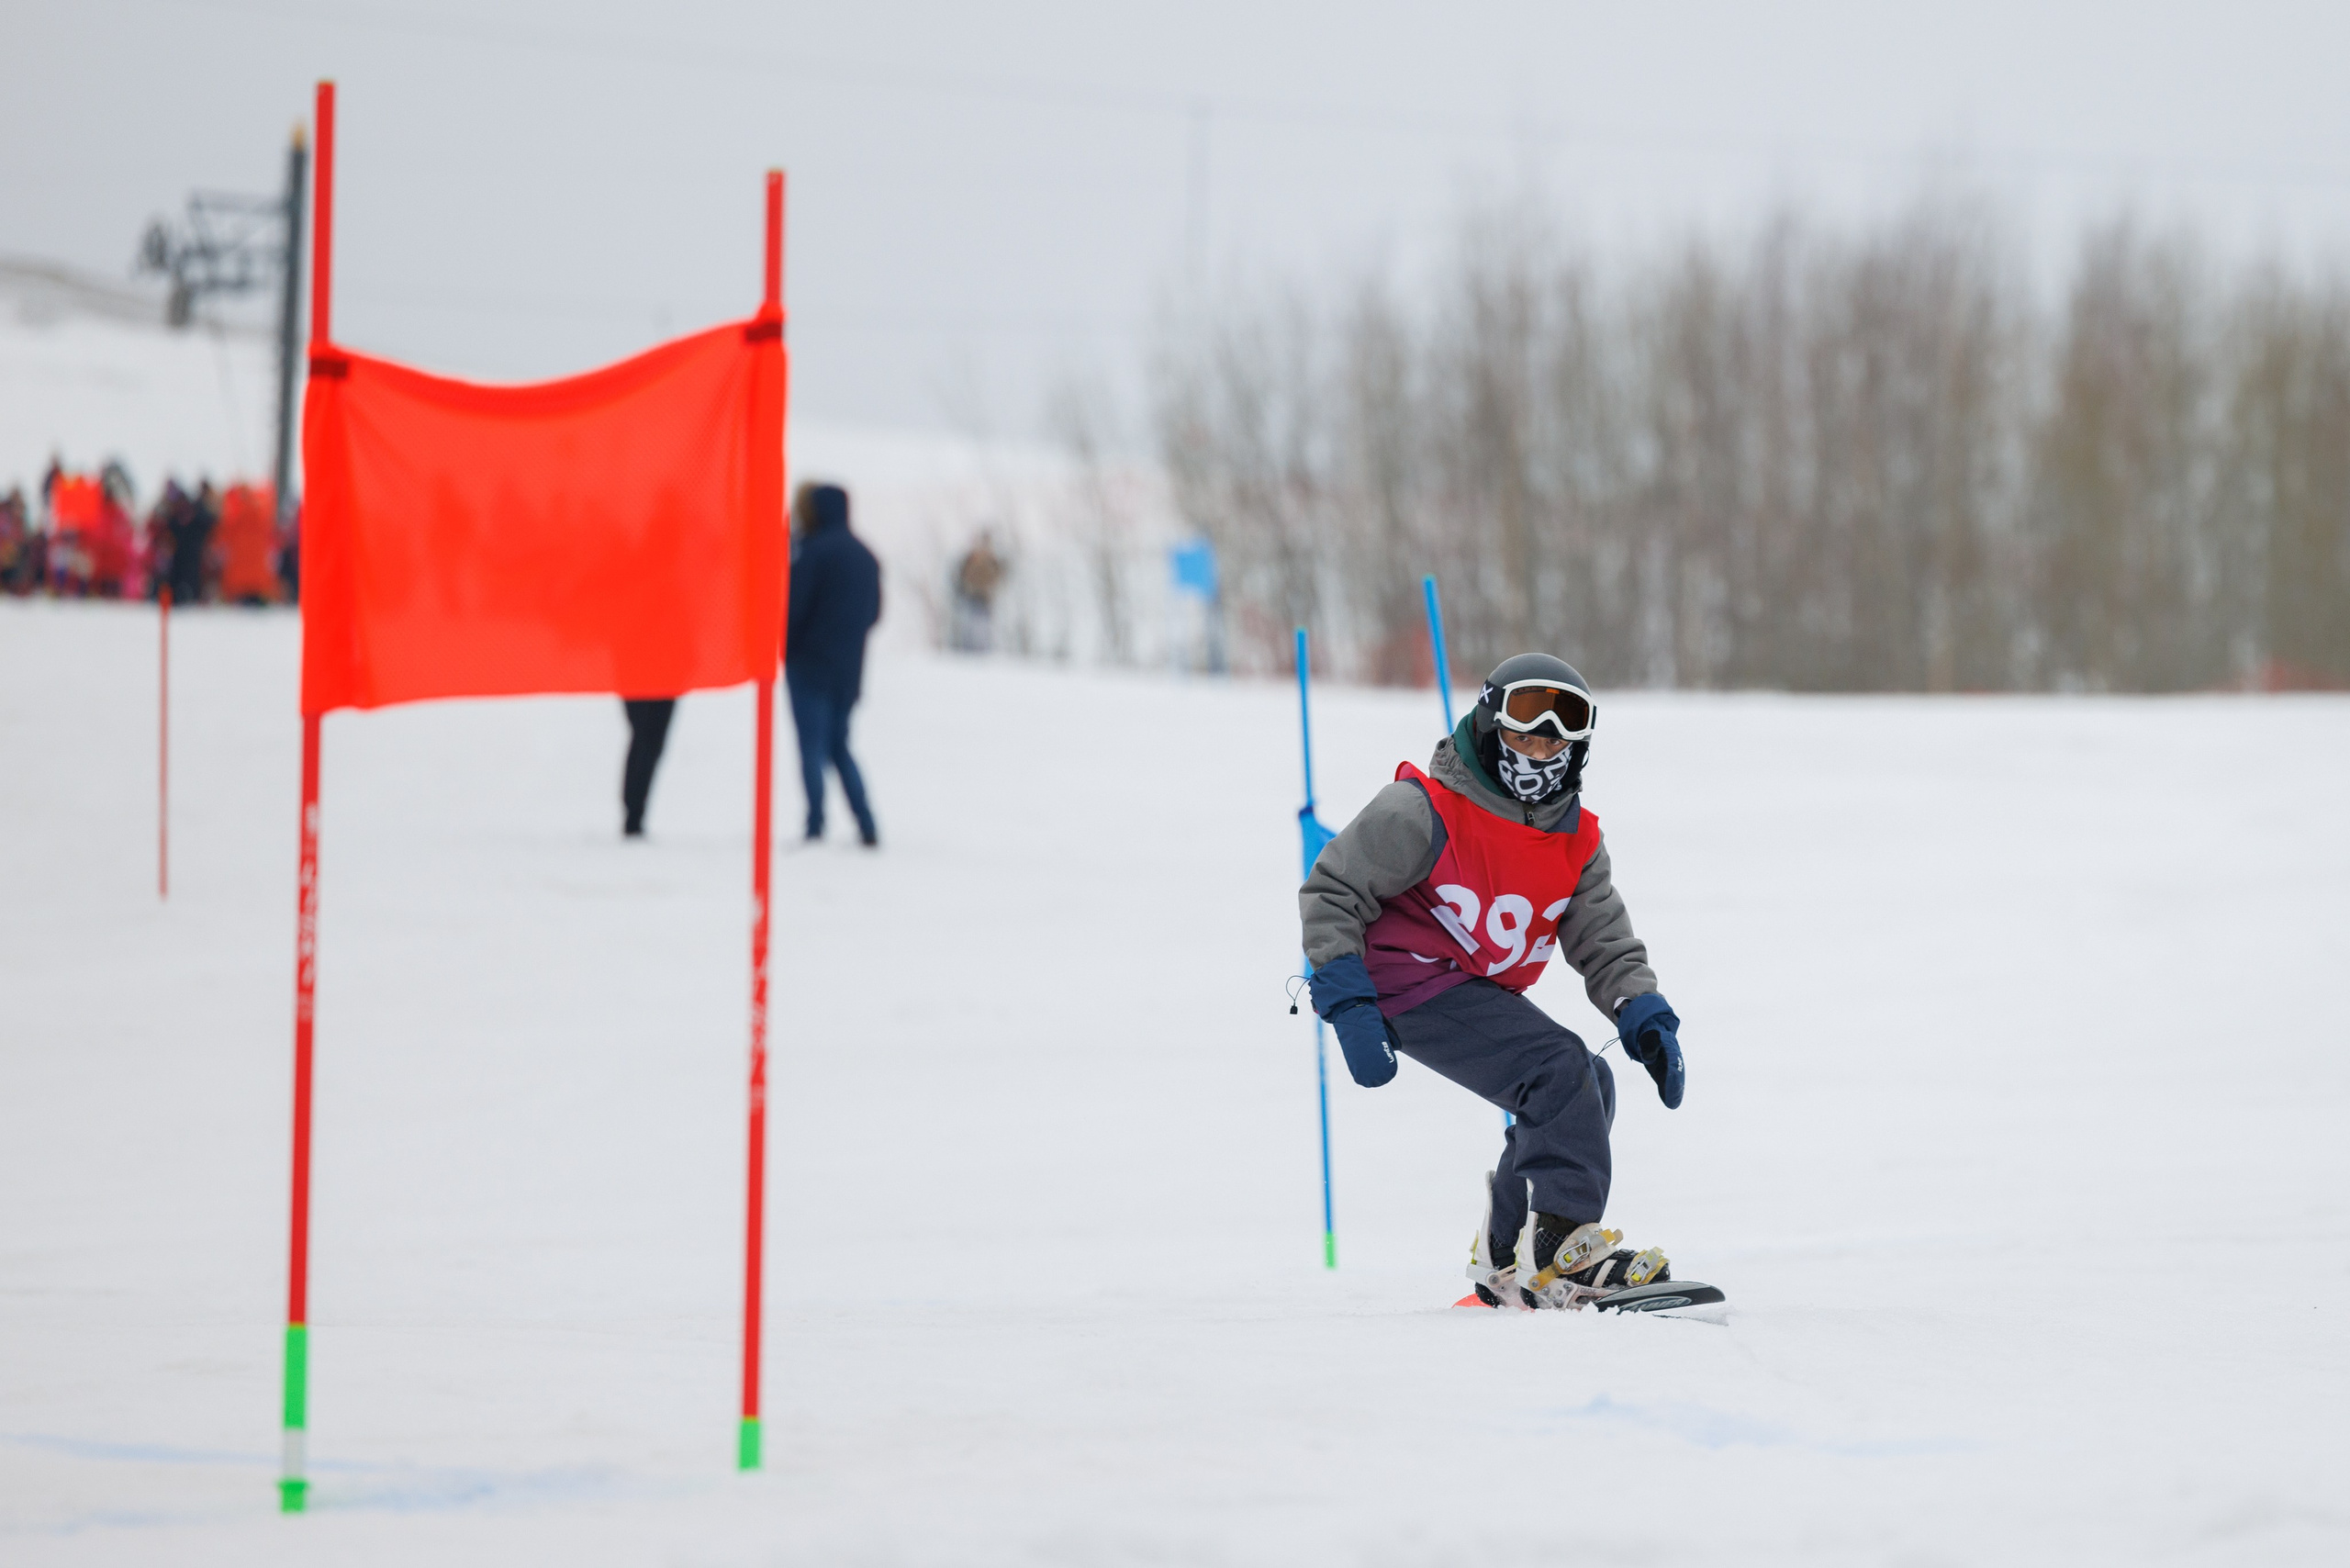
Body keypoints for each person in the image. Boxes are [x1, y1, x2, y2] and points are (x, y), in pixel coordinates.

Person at [1299, 654, 1688, 1310]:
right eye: (1522, 732)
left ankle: (1509, 1255)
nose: (1540, 749)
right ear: (1489, 724)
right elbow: (1333, 890)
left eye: (1558, 736)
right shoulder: (1421, 810)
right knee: (1556, 1066)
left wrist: (1640, 1008)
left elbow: (1602, 936)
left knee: (1587, 1082)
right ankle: (1565, 1251)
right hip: (1401, 981)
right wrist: (1348, 1001)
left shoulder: (1575, 841)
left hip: (1469, 986)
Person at [785, 481, 881, 846]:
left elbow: (793, 612)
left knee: (811, 746)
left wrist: (789, 649)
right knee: (839, 746)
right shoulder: (865, 556)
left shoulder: (811, 554)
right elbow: (874, 613)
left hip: (809, 668)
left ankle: (815, 824)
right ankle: (867, 822)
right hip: (849, 670)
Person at [619, 697, 677, 839]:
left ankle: (634, 814)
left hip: (670, 679)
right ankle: (633, 815)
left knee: (650, 742)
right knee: (646, 740)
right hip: (634, 678)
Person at [950, 528, 1005, 652]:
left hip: (985, 597)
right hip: (972, 595)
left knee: (984, 626)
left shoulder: (992, 560)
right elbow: (961, 575)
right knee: (971, 624)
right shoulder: (971, 558)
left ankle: (983, 650)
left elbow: (998, 575)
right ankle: (969, 650)